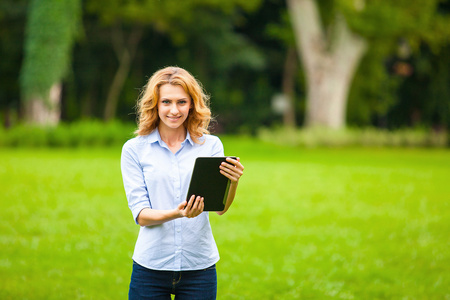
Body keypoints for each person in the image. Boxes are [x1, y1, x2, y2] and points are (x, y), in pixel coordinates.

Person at [120, 66, 244, 299]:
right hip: (151, 267)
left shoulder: (211, 146)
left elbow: (219, 208)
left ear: (192, 104)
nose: (174, 110)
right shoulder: (134, 150)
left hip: (199, 269)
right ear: (155, 104)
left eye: (182, 102)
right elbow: (141, 215)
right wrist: (178, 213)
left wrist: (233, 183)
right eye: (166, 102)